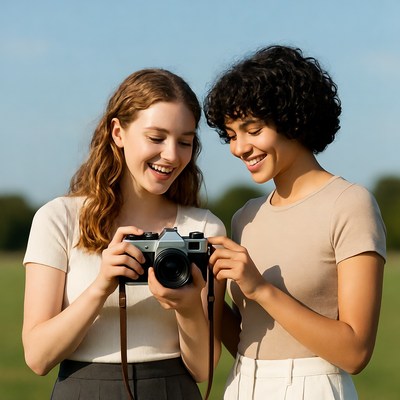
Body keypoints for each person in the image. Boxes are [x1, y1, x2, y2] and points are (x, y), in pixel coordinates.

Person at [22, 68, 226, 400]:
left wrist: (188, 308)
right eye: (156, 137)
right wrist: (101, 285)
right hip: (82, 389)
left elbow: (203, 371)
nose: (172, 155)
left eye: (185, 141)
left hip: (173, 389)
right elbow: (37, 357)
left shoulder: (204, 228)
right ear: (118, 132)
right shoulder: (58, 218)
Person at [204, 45, 386, 399]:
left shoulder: (349, 204)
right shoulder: (245, 217)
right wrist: (202, 296)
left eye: (252, 130)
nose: (239, 148)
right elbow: (247, 336)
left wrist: (260, 289)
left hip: (313, 387)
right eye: (230, 135)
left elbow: (355, 352)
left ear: (292, 118)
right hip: (242, 383)